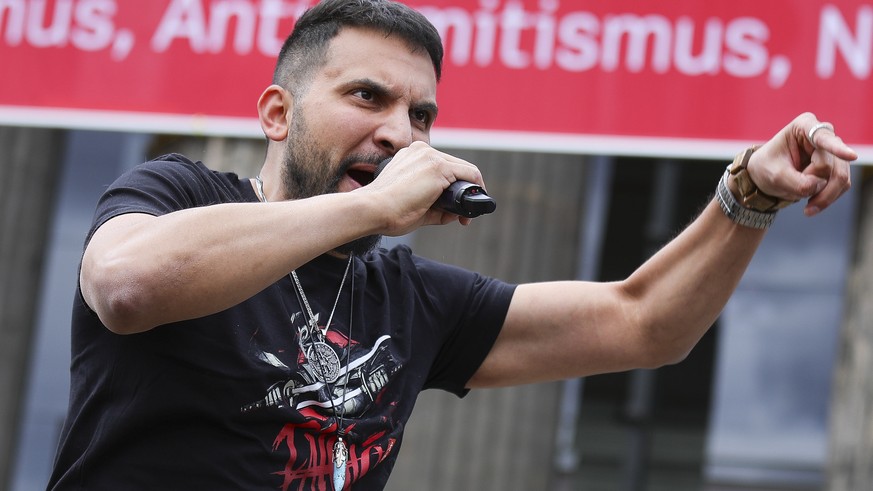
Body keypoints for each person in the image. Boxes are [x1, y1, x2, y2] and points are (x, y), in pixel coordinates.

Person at [46, 0, 856, 489]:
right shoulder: (180, 195)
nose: (398, 132)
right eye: (366, 96)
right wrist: (372, 209)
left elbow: (642, 322)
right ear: (277, 114)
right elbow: (128, 284)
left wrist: (745, 195)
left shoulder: (410, 299)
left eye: (421, 115)